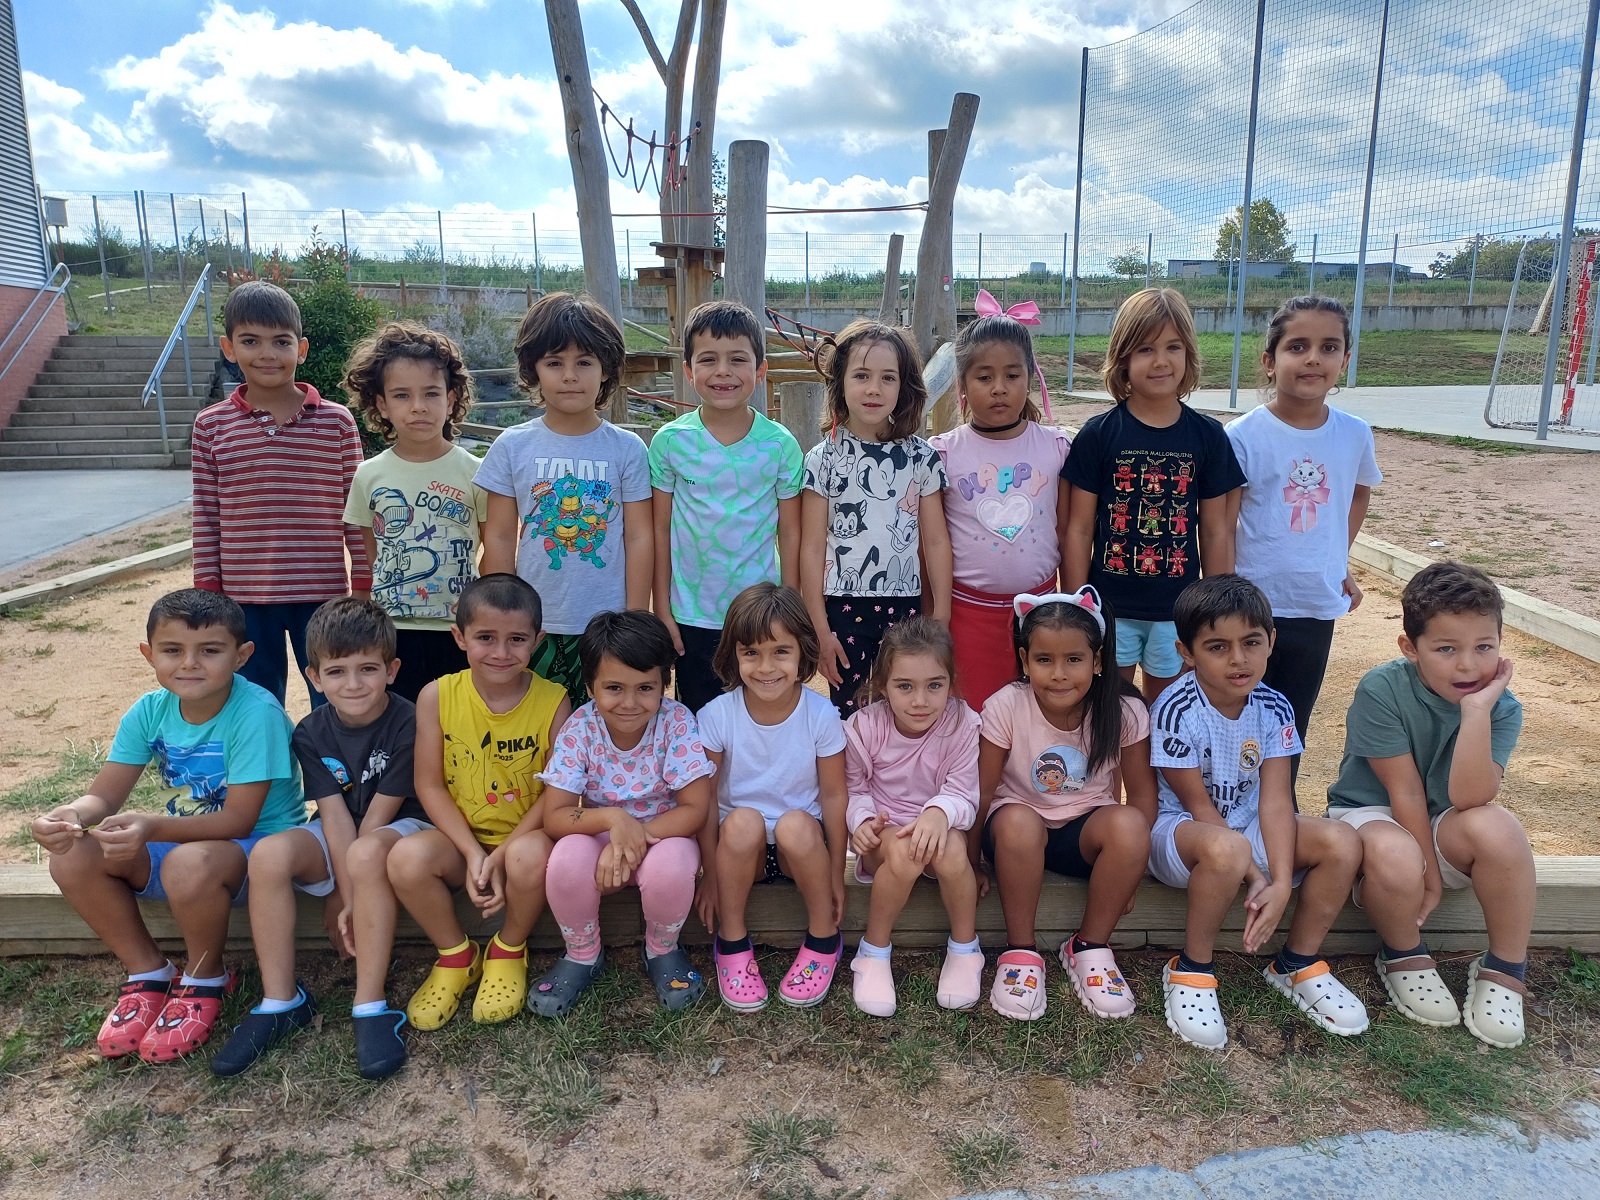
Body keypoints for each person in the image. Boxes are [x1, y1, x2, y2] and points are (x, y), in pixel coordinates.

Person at [30, 589, 305, 1063]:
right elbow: (105, 796)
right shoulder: (149, 710)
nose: (190, 664)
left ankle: (206, 977)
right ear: (149, 654)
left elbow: (240, 820)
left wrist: (149, 827)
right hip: (186, 847)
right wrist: (70, 816)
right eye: (173, 650)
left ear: (242, 655)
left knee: (187, 863)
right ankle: (148, 973)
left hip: (256, 854)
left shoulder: (256, 713)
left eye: (210, 650)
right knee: (72, 855)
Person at [211, 598, 430, 1079]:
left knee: (367, 851)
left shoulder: (410, 721)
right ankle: (280, 1000)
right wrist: (340, 893)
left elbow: (376, 819)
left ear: (392, 670)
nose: (353, 684)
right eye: (336, 672)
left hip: (404, 827)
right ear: (313, 677)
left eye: (368, 669)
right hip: (343, 829)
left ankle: (370, 1004)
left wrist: (346, 895)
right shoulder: (310, 732)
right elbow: (333, 817)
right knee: (269, 854)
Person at [1148, 575, 1368, 1050]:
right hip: (1183, 837)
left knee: (1341, 841)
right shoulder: (1174, 708)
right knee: (1227, 847)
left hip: (1245, 832)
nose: (1238, 659)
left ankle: (1296, 962)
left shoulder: (1275, 707)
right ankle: (1192, 968)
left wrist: (1281, 883)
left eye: (1251, 642)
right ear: (1187, 652)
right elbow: (1198, 806)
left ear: (1271, 640)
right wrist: (1255, 877)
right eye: (1217, 647)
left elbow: (1275, 801)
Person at [1327, 561, 1533, 1049]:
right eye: (1446, 649)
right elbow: (1404, 793)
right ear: (1410, 648)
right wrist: (1430, 878)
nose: (1468, 666)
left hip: (1444, 819)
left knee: (1501, 829)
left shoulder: (1501, 707)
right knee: (1397, 853)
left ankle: (1506, 967)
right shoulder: (1382, 688)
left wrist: (1476, 712)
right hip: (1371, 815)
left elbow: (1470, 799)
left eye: (1484, 647)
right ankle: (1403, 952)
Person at [387, 574, 571, 1030]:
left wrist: (502, 853)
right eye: (486, 637)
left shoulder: (555, 701)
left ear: (537, 642)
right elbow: (429, 785)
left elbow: (557, 791)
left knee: (529, 857)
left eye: (516, 640)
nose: (501, 652)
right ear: (459, 637)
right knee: (406, 859)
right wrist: (473, 853)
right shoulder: (436, 696)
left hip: (527, 838)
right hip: (460, 841)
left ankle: (508, 948)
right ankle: (456, 955)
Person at [974, 587, 1155, 1022]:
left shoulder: (1125, 710)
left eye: (1074, 659)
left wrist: (1130, 874)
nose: (1059, 674)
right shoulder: (1005, 705)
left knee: (1129, 824)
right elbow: (982, 792)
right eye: (1044, 660)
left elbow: (1142, 796)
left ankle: (1089, 947)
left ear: (1097, 661)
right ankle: (1021, 952)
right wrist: (971, 860)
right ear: (1024, 661)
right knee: (1019, 823)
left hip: (1084, 834)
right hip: (1015, 833)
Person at [191, 281, 370, 707]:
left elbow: (359, 510)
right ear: (229, 348)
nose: (267, 353)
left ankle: (327, 756)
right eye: (250, 341)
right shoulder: (210, 426)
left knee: (334, 700)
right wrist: (208, 590)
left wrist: (363, 583)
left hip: (323, 594)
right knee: (255, 703)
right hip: (244, 599)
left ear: (301, 349)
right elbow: (206, 515)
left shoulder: (336, 423)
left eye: (281, 341)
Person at [1227, 296, 1381, 790]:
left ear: (1345, 360)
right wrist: (1222, 589)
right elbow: (1223, 518)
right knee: (1236, 712)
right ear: (1270, 361)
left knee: (1291, 719)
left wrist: (1339, 562)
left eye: (1329, 347)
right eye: (1297, 346)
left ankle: (1280, 805)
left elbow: (1358, 492)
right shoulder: (1243, 435)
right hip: (1252, 605)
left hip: (1314, 603)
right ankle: (1228, 806)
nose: (1313, 358)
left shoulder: (1354, 434)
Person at [1062, 288, 1244, 702]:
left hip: (1177, 612)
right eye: (1146, 349)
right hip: (1109, 609)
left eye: (1173, 347)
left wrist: (1217, 608)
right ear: (1123, 358)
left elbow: (1216, 530)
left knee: (1169, 711)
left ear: (1188, 354)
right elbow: (1079, 528)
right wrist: (1076, 607)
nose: (1161, 361)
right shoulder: (1098, 435)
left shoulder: (1208, 436)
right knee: (1111, 711)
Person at [532, 610, 717, 1016]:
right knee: (565, 861)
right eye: (614, 687)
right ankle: (581, 952)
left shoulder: (676, 722)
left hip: (665, 836)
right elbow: (556, 816)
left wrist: (633, 839)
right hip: (603, 838)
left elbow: (694, 809)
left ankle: (662, 949)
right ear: (589, 686)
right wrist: (614, 821)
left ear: (664, 683)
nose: (630, 703)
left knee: (671, 868)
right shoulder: (580, 727)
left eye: (645, 688)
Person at [476, 293, 653, 707]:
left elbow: (639, 537)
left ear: (606, 369)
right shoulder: (512, 446)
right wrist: (504, 619)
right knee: (538, 723)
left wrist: (634, 618)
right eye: (555, 363)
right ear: (533, 369)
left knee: (608, 723)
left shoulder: (627, 449)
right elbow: (499, 537)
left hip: (607, 627)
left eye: (584, 362)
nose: (570, 376)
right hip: (534, 626)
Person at [695, 584, 848, 1010]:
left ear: (803, 652)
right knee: (742, 821)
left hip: (802, 849)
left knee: (795, 824)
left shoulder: (821, 715)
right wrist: (710, 873)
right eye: (751, 653)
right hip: (741, 851)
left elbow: (835, 796)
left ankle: (823, 938)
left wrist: (836, 873)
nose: (766, 667)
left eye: (781, 651)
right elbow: (706, 801)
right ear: (733, 654)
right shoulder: (716, 716)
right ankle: (732, 942)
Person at [650, 301, 803, 712]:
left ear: (760, 370)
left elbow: (790, 532)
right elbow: (659, 529)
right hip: (691, 615)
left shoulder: (780, 445)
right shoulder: (669, 442)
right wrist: (662, 608)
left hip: (760, 614)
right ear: (688, 371)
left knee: (761, 714)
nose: (723, 371)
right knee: (700, 721)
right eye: (708, 359)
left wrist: (790, 605)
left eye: (737, 359)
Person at [801, 320, 952, 716]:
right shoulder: (822, 459)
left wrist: (942, 615)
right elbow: (812, 547)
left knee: (905, 709)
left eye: (888, 377)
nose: (874, 388)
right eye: (861, 375)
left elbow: (936, 541)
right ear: (840, 381)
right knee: (852, 711)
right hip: (842, 607)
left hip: (906, 607)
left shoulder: (922, 458)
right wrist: (820, 629)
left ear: (904, 386)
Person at [930, 298, 1072, 711]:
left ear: (1030, 377)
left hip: (1043, 614)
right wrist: (937, 615)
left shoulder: (1057, 447)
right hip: (968, 616)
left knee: (1041, 713)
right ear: (962, 384)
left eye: (1012, 375)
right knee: (975, 716)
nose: (999, 388)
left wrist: (1069, 606)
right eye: (984, 376)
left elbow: (1067, 531)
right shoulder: (942, 454)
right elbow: (932, 544)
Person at [844, 617, 982, 1017]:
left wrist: (938, 812)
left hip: (941, 831)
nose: (920, 701)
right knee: (905, 853)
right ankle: (872, 951)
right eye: (905, 686)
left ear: (951, 682)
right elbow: (853, 790)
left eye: (934, 685)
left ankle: (965, 949)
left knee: (952, 850)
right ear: (883, 684)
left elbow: (964, 792)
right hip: (885, 835)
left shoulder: (963, 723)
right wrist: (862, 822)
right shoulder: (864, 727)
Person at [343, 323, 487, 702]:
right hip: (392, 630)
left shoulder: (477, 472)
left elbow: (491, 547)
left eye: (431, 393)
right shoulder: (367, 475)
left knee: (456, 720)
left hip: (458, 629)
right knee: (401, 722)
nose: (418, 406)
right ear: (382, 405)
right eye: (402, 395)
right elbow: (370, 554)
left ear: (451, 400)